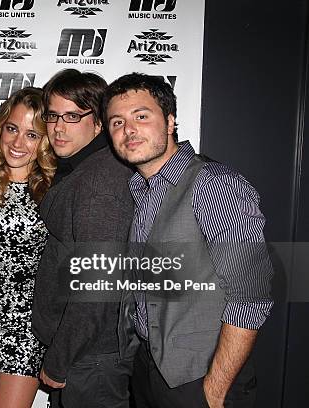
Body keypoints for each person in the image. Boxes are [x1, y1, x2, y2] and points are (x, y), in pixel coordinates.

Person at [104, 73, 274, 408]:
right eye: (117, 122)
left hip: (203, 378)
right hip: (150, 369)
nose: (129, 130)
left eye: (141, 116)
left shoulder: (215, 185)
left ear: (170, 121)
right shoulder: (139, 190)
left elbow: (251, 296)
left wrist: (215, 388)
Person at [31, 69, 136, 408]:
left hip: (90, 359)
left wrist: (60, 359)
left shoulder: (97, 181)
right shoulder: (84, 168)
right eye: (52, 115)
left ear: (99, 122)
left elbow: (98, 283)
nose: (58, 127)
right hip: (88, 354)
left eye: (73, 116)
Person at [0, 87, 56, 408]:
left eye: (32, 134)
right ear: (0, 127)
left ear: (45, 140)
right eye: (12, 128)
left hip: (29, 328)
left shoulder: (55, 188)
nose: (18, 143)